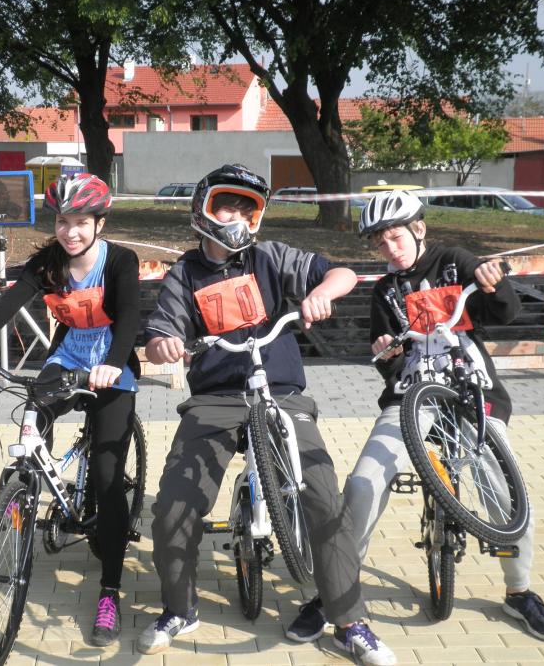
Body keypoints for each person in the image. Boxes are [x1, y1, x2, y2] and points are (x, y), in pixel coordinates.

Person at [139, 164, 397, 665]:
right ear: (203, 209)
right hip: (215, 399)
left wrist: (322, 292)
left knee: (324, 498)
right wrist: (164, 345)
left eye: (246, 208)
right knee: (173, 506)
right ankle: (180, 609)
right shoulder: (184, 274)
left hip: (281, 393)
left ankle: (349, 622)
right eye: (226, 206)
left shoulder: (271, 257)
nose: (236, 217)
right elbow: (157, 336)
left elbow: (341, 273)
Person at [285, 189, 544, 643]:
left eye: (396, 237)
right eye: (380, 243)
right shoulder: (385, 291)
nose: (390, 249)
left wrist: (493, 283)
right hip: (410, 398)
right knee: (362, 483)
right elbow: (389, 363)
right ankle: (334, 592)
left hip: (471, 391)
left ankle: (519, 592)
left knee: (505, 490)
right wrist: (386, 353)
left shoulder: (453, 261)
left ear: (419, 229)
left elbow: (505, 313)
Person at [0, 173, 141, 647]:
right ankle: (29, 489)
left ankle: (110, 591)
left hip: (111, 365)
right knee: (34, 415)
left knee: (108, 477)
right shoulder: (49, 262)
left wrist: (113, 365)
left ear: (99, 223)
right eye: (62, 221)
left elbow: (131, 319)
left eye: (80, 222)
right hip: (68, 358)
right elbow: (8, 304)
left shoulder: (120, 261)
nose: (70, 232)